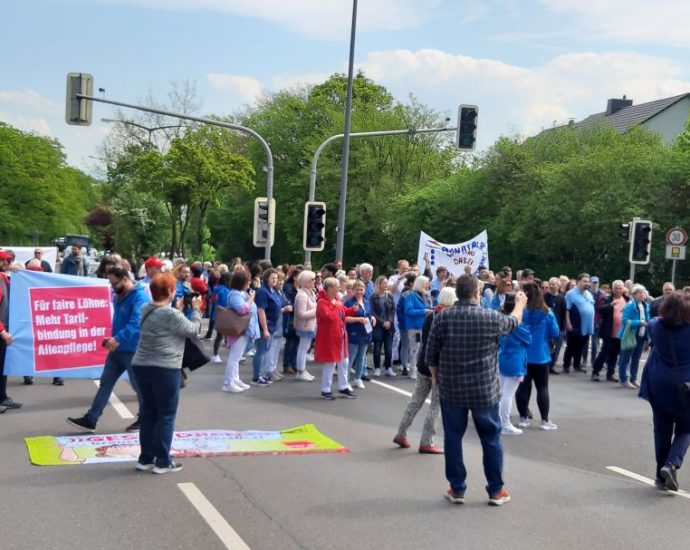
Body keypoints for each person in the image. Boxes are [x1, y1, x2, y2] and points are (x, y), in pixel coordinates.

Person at [427, 275, 527, 506]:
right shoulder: (491, 317)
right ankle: (495, 490)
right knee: (491, 439)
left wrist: (436, 380)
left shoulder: (443, 318)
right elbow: (513, 323)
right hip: (484, 390)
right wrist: (520, 304)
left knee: (453, 438)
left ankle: (457, 488)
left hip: (452, 389)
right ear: (476, 294)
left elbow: (430, 355)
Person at [131, 272, 202, 473]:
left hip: (141, 365)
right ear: (171, 291)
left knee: (148, 413)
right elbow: (193, 329)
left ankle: (145, 458)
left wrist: (176, 309)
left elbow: (162, 318)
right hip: (164, 367)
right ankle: (163, 460)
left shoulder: (146, 308)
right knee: (166, 414)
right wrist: (196, 310)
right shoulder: (171, 315)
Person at [67, 267, 150, 432]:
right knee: (105, 383)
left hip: (132, 350)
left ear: (125, 279)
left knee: (138, 386)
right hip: (117, 350)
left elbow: (136, 324)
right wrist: (114, 339)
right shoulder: (120, 295)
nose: (112, 287)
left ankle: (145, 419)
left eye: (114, 283)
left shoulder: (139, 297)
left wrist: (117, 338)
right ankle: (91, 419)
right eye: (110, 283)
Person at [394, 287, 458, 454]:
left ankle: (401, 432)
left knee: (416, 400)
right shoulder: (450, 319)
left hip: (423, 364)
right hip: (439, 367)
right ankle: (427, 441)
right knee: (435, 406)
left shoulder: (431, 315)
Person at [639, 292, 690, 491]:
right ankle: (672, 463)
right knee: (686, 427)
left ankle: (660, 475)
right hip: (684, 386)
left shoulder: (656, 326)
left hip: (657, 384)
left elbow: (652, 321)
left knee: (661, 429)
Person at [514, 283, 560, 431]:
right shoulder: (548, 313)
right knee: (542, 388)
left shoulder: (523, 312)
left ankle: (523, 418)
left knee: (523, 387)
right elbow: (555, 333)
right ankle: (545, 420)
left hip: (524, 354)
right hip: (541, 355)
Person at [315, 277, 358, 400]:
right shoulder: (322, 302)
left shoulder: (337, 301)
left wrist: (351, 310)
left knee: (344, 362)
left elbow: (343, 312)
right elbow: (328, 317)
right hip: (329, 337)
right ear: (329, 288)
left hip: (341, 335)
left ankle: (343, 386)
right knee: (330, 363)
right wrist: (337, 306)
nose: (339, 288)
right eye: (336, 286)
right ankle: (325, 389)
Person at [497, 297, 531, 435]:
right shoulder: (518, 325)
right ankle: (504, 424)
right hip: (515, 362)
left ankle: (499, 422)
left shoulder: (502, 320)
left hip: (503, 358)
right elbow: (529, 339)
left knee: (502, 393)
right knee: (508, 394)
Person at [221, 269, 257, 393]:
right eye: (247, 281)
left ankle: (235, 379)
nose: (249, 284)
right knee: (234, 357)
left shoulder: (242, 293)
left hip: (243, 328)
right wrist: (250, 299)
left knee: (236, 356)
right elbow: (242, 309)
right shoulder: (235, 294)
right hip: (238, 329)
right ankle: (228, 382)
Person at [591, 280, 628, 382]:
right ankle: (595, 371)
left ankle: (610, 374)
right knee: (604, 352)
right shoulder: (607, 298)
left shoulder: (626, 299)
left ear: (623, 288)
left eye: (620, 288)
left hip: (620, 333)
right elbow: (600, 309)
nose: (618, 290)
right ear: (612, 289)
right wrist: (611, 304)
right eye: (616, 288)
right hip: (609, 331)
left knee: (614, 354)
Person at [252, 268, 282, 386]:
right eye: (272, 278)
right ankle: (256, 376)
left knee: (265, 350)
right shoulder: (263, 292)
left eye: (276, 278)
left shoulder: (273, 290)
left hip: (272, 325)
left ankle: (261, 374)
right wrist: (264, 329)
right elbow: (261, 311)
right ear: (266, 278)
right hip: (266, 325)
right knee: (261, 351)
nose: (275, 280)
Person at [0, 250, 21, 413]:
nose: (7, 264)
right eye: (4, 261)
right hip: (1, 330)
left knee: (3, 367)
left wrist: (19, 275)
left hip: (5, 328)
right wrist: (2, 332)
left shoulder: (2, 278)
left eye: (8, 261)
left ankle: (2, 397)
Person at [344, 280, 376, 389]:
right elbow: (345, 318)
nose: (359, 291)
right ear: (353, 291)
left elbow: (368, 314)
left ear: (364, 290)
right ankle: (345, 381)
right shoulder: (349, 303)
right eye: (357, 289)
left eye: (361, 289)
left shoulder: (367, 301)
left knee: (361, 357)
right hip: (354, 333)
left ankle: (358, 378)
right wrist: (358, 319)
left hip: (365, 333)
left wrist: (373, 318)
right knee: (351, 357)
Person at [618, 284, 650, 389]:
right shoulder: (629, 305)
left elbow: (648, 319)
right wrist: (639, 322)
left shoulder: (646, 305)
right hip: (630, 335)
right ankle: (623, 379)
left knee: (636, 358)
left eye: (644, 292)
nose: (643, 295)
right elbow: (624, 320)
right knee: (625, 358)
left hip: (641, 335)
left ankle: (633, 378)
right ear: (634, 294)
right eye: (640, 292)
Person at [563, 273, 595, 374]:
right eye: (584, 281)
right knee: (571, 345)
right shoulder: (570, 294)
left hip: (587, 325)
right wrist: (568, 323)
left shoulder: (589, 294)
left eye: (588, 281)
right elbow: (567, 309)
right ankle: (566, 365)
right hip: (575, 324)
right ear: (578, 282)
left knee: (581, 346)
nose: (587, 283)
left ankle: (577, 365)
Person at [404, 275, 432, 380]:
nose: (428, 285)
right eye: (426, 283)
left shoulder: (425, 295)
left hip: (424, 326)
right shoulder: (411, 295)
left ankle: (419, 370)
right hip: (415, 327)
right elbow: (408, 311)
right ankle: (413, 371)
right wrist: (424, 311)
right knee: (414, 349)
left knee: (421, 349)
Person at [370, 275, 396, 377]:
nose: (386, 285)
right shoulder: (373, 297)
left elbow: (393, 310)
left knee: (389, 348)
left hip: (389, 326)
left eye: (386, 283)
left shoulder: (389, 296)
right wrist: (382, 322)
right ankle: (377, 368)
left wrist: (389, 321)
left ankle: (388, 367)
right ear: (379, 284)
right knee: (377, 347)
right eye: (384, 283)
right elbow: (372, 312)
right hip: (378, 326)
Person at [544, 277, 567, 374]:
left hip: (558, 327)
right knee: (547, 347)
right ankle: (545, 366)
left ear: (558, 286)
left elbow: (564, 313)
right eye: (550, 283)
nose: (551, 286)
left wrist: (563, 328)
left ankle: (552, 366)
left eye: (553, 284)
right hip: (546, 327)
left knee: (556, 348)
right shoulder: (545, 297)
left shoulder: (562, 298)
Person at [210, 271, 231, 363]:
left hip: (217, 314)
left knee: (221, 335)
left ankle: (216, 354)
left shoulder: (218, 289)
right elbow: (225, 303)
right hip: (223, 315)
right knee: (220, 335)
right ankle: (215, 354)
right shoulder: (225, 290)